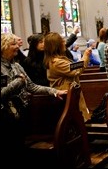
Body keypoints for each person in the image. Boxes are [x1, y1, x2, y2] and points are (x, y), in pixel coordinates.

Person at [1, 33, 67, 167]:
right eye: (13, 44)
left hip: (20, 112)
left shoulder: (16, 66)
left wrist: (54, 91)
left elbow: (32, 86)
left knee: (19, 147)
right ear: (3, 47)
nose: (17, 47)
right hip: (5, 116)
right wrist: (18, 82)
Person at [43, 32, 92, 122]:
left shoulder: (57, 59)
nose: (64, 42)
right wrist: (85, 56)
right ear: (56, 45)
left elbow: (75, 67)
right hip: (67, 95)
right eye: (62, 41)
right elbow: (76, 70)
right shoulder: (57, 62)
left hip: (70, 93)